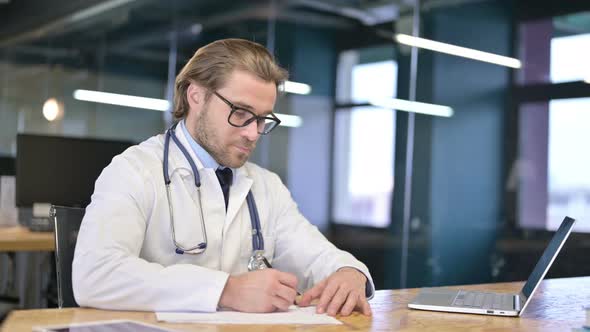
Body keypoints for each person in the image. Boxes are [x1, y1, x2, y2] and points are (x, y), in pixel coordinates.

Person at [72, 38, 374, 317]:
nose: (252, 132)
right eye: (241, 112)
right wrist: (227, 290)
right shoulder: (134, 171)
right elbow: (95, 275)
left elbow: (316, 256)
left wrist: (349, 272)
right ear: (196, 95)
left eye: (262, 119)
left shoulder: (266, 187)